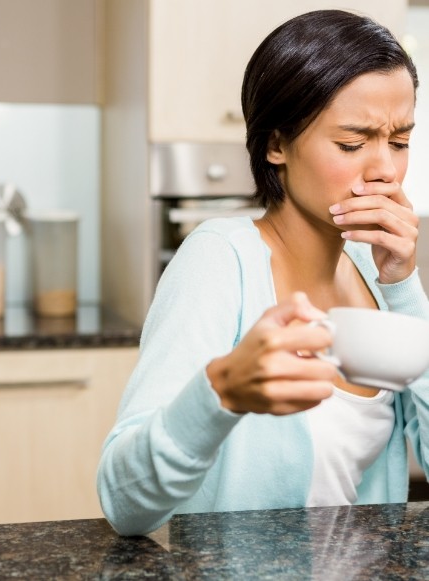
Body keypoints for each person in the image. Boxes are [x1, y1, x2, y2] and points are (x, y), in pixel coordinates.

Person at [97, 9, 429, 536]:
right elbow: (124, 502)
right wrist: (221, 392)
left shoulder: (376, 271)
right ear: (277, 144)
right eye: (352, 143)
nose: (385, 169)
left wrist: (405, 288)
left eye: (400, 141)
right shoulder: (218, 260)